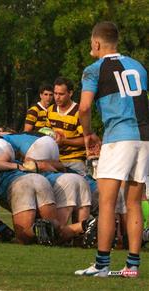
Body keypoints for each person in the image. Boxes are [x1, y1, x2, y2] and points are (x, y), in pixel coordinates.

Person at [75, 21, 148, 278]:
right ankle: (132, 266)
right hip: (144, 139)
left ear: (96, 44)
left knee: (106, 202)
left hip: (119, 138)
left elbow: (84, 107)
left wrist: (87, 133)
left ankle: (102, 264)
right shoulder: (138, 67)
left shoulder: (93, 69)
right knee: (134, 202)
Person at [46, 77, 86, 174]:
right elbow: (46, 130)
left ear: (70, 93)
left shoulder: (79, 112)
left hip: (75, 161)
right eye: (55, 93)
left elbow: (86, 139)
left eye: (61, 94)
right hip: (55, 160)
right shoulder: (50, 110)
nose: (57, 97)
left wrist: (64, 141)